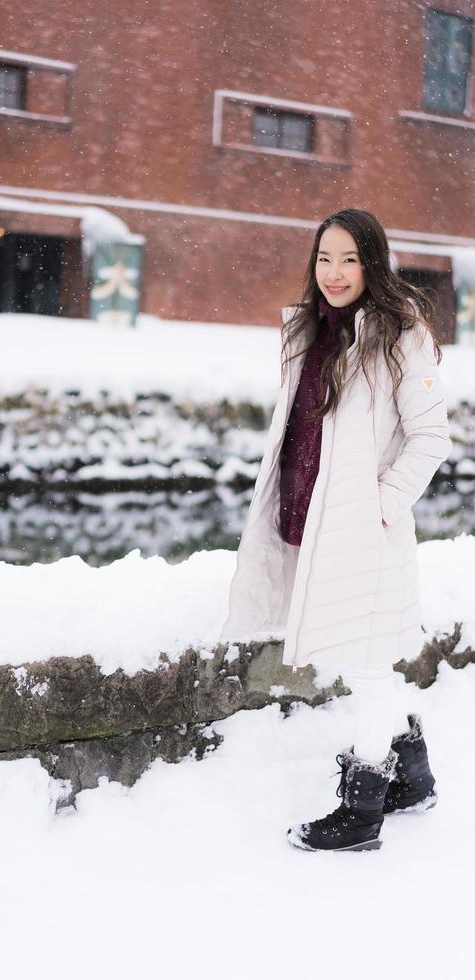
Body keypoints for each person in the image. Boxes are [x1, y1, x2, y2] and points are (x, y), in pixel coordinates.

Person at [219, 208, 452, 852]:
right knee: (365, 659)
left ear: (372, 263)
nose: (334, 272)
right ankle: (414, 774)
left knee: (371, 667)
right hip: (311, 521)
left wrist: (381, 505)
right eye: (325, 257)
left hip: (364, 530)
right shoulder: (307, 331)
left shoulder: (401, 335)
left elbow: (431, 438)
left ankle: (362, 811)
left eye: (349, 259)